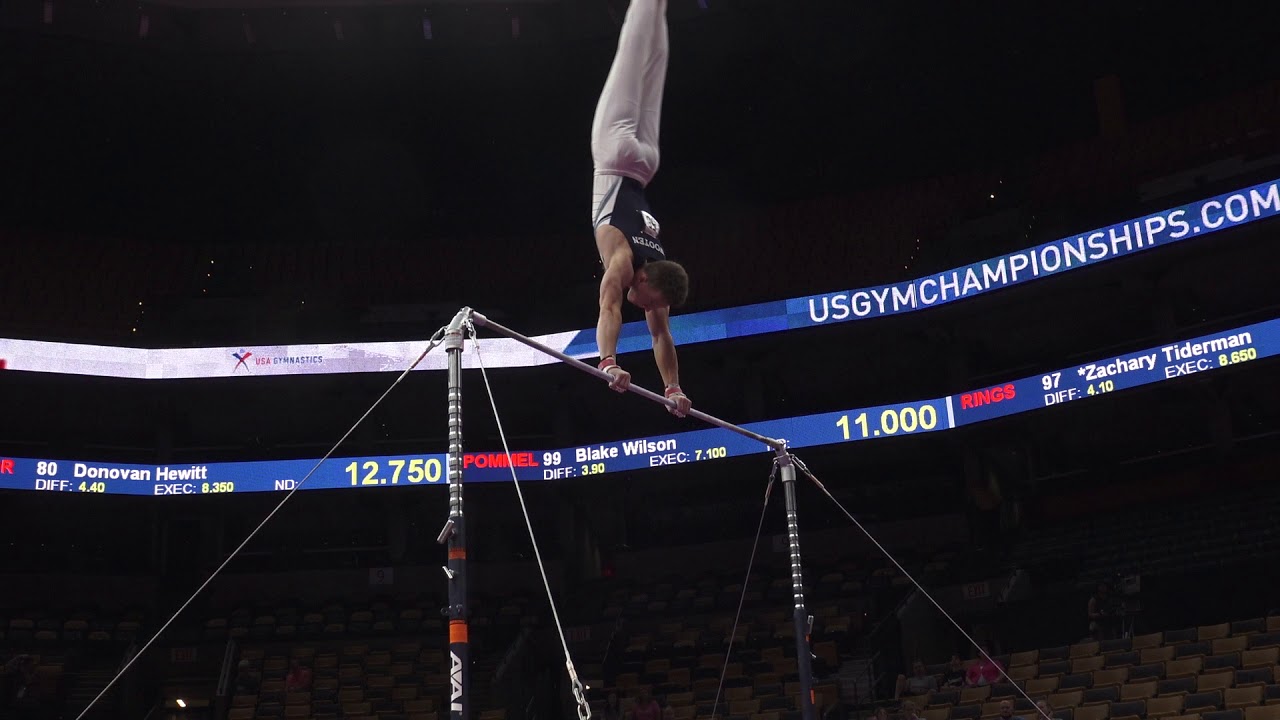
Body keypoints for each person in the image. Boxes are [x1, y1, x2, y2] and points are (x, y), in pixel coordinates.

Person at [590, 0, 692, 418]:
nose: (646, 309)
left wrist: (674, 388)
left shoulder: (658, 272)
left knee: (653, 59)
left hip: (646, 163)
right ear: (647, 277)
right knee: (634, 49)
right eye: (650, 303)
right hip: (615, 154)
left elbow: (661, 336)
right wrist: (608, 361)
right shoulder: (625, 262)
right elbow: (608, 306)